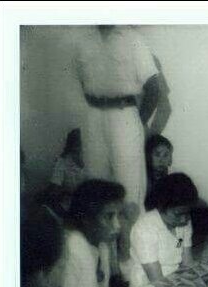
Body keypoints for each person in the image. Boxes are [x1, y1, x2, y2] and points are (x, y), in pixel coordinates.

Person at [74, 25, 160, 212]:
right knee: (95, 183)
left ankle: (131, 230)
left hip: (123, 116)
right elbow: (82, 80)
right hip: (93, 116)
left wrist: (137, 122)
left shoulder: (132, 39)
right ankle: (103, 231)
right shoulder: (84, 41)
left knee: (129, 184)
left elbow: (154, 89)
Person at [128, 173, 198, 287]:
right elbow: (157, 281)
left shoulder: (184, 223)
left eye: (187, 213)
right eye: (178, 214)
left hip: (176, 282)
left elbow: (188, 263)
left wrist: (195, 286)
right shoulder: (145, 229)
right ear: (161, 207)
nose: (184, 219)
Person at [47, 128, 87, 214]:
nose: (79, 147)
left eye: (80, 144)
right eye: (76, 144)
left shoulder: (89, 161)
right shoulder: (62, 162)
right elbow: (54, 188)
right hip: (69, 204)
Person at [144, 134, 173, 211]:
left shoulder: (171, 181)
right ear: (148, 157)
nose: (161, 160)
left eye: (165, 155)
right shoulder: (144, 179)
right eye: (157, 155)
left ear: (170, 160)